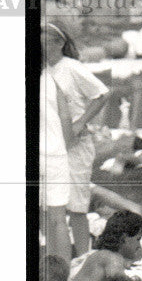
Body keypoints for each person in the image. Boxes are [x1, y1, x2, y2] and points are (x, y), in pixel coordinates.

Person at [42, 22, 109, 256]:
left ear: (59, 43)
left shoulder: (71, 67)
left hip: (76, 146)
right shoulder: (42, 70)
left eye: (44, 38)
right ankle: (55, 258)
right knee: (49, 205)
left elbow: (101, 94)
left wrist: (81, 122)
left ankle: (82, 257)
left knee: (77, 205)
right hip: (50, 146)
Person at [40, 64, 74, 266]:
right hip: (54, 153)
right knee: (58, 219)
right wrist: (66, 144)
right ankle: (62, 274)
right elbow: (66, 116)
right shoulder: (51, 80)